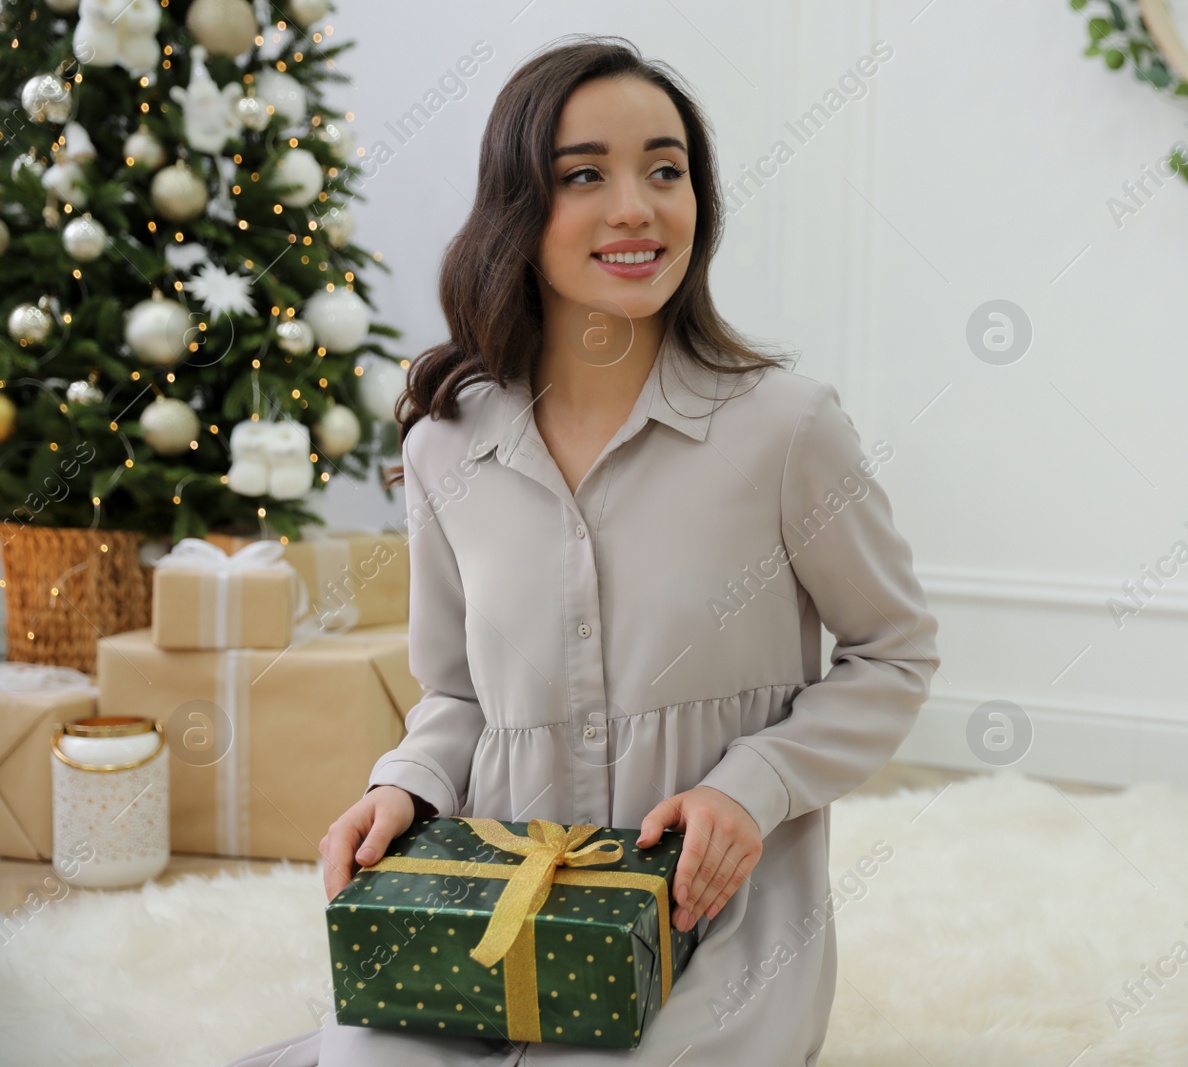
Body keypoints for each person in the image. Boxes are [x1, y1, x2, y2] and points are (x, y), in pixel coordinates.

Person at [224, 33, 938, 1067]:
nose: (637, 208)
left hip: (711, 919)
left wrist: (755, 784)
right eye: (583, 176)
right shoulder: (445, 445)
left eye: (665, 170)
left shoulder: (783, 428)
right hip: (486, 890)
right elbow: (456, 696)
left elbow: (894, 652)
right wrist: (404, 786)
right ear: (517, 207)